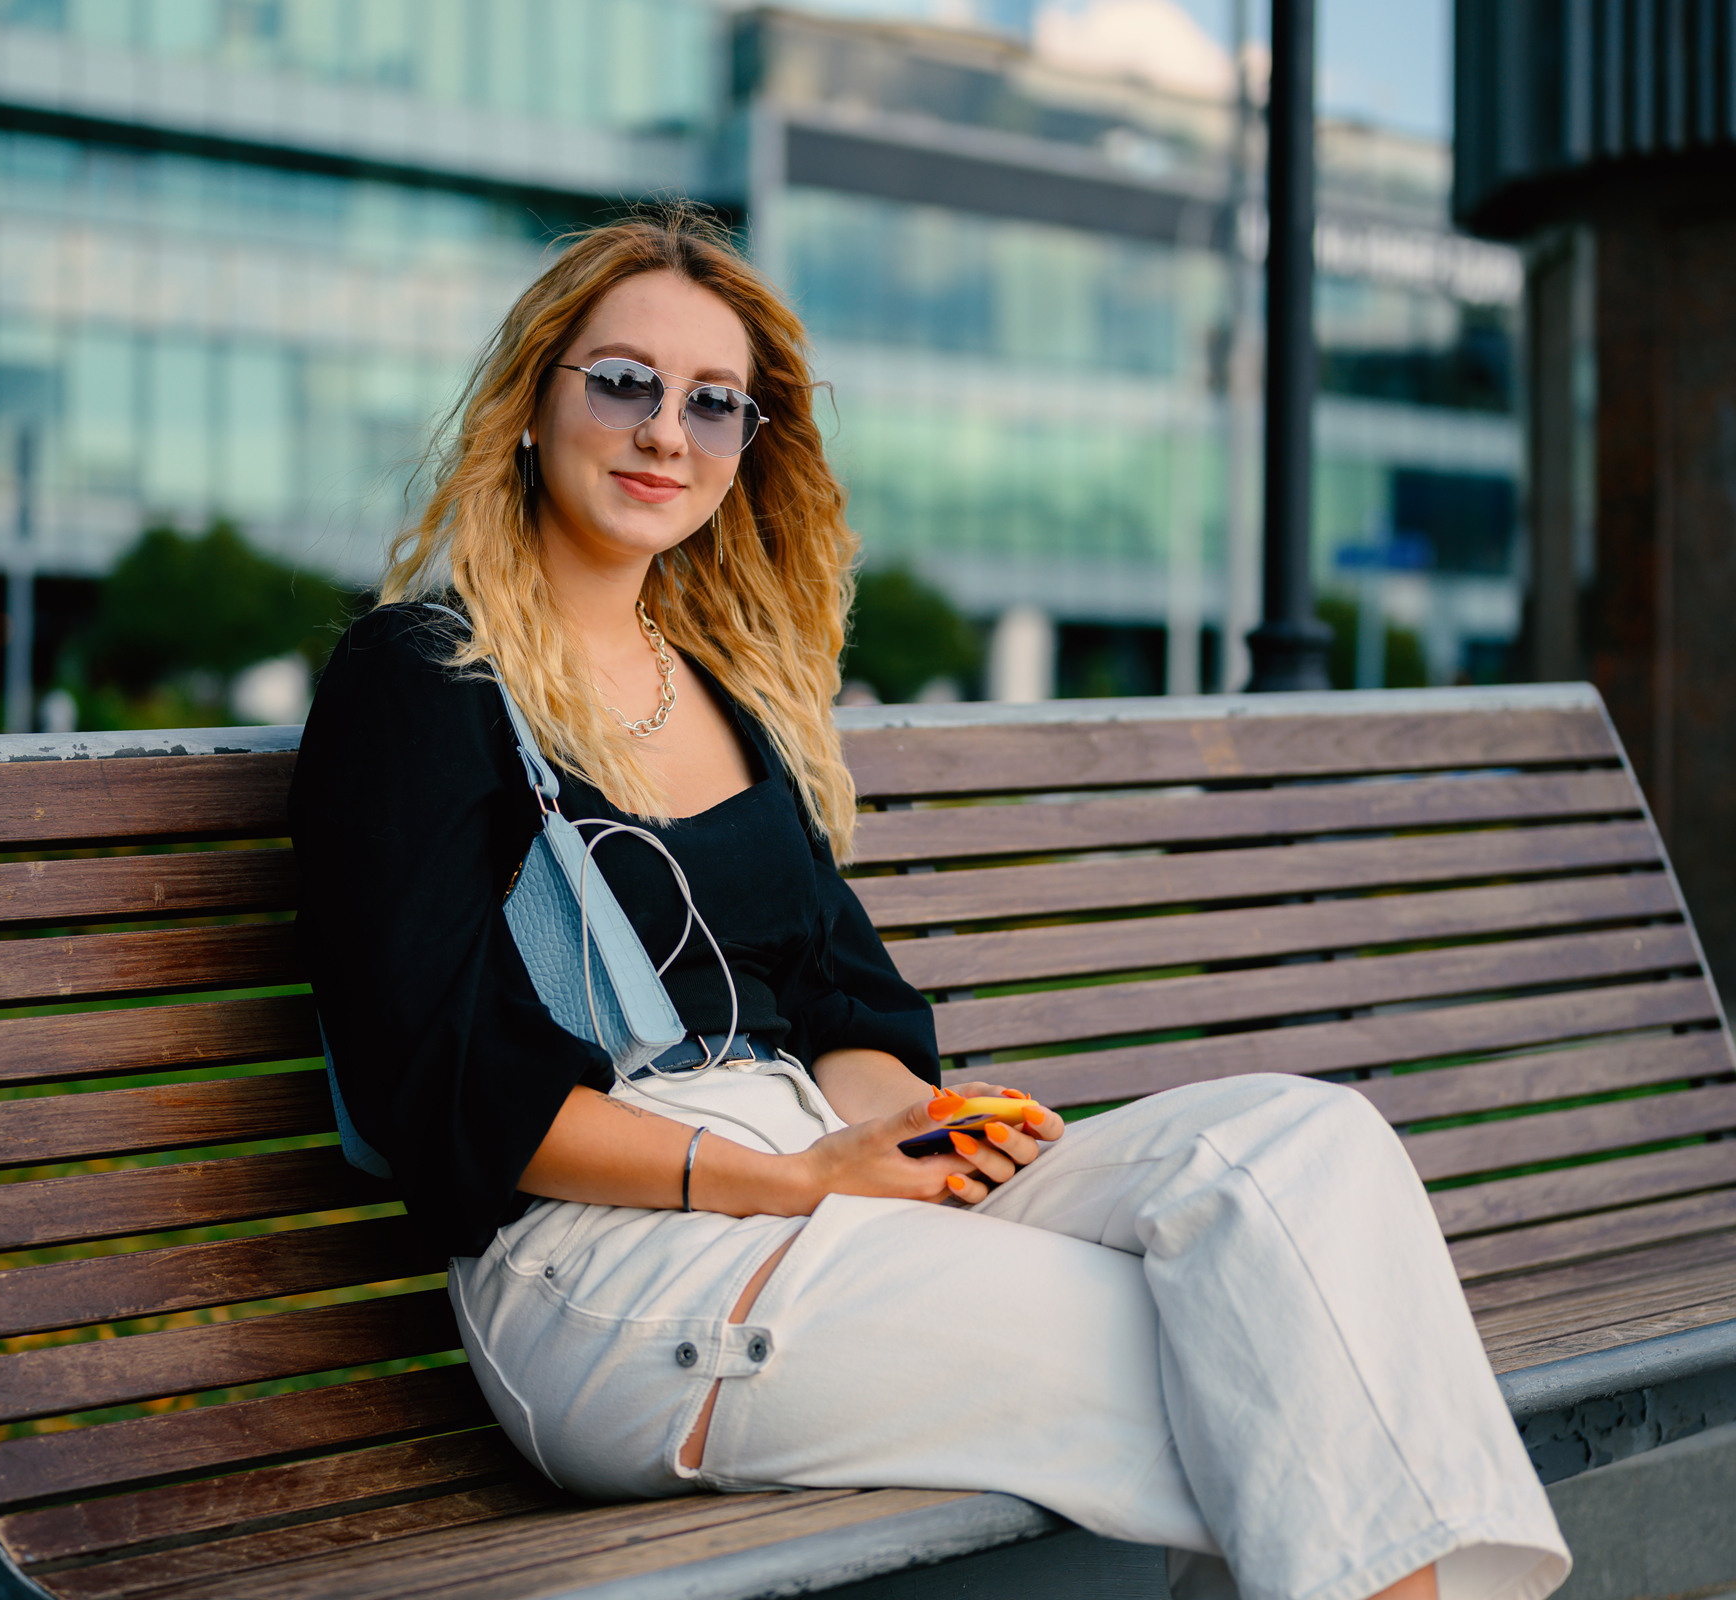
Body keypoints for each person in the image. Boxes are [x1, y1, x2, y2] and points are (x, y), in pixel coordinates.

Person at [289, 208, 1569, 1600]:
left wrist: (913, 1136)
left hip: (826, 1184)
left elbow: (843, 1007)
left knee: (1307, 1151)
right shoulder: (421, 679)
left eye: (713, 404)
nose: (665, 432)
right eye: (623, 382)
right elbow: (439, 1084)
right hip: (609, 1265)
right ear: (533, 401)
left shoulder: (722, 690)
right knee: (1252, 1340)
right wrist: (793, 1180)